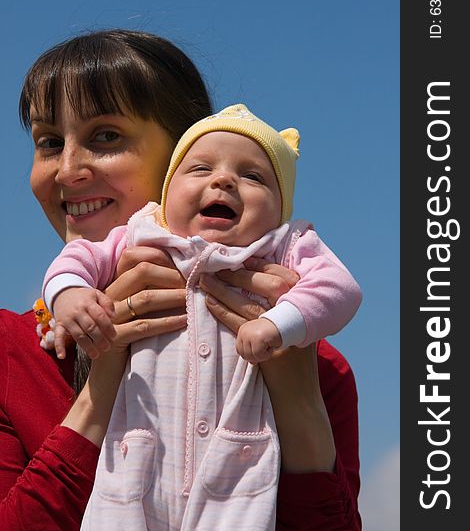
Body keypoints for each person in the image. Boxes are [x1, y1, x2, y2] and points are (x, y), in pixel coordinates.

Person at [0, 29, 362, 530]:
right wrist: (99, 389)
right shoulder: (12, 353)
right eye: (49, 142)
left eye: (106, 136)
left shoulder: (318, 367)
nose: (66, 170)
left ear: (182, 158)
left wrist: (299, 404)